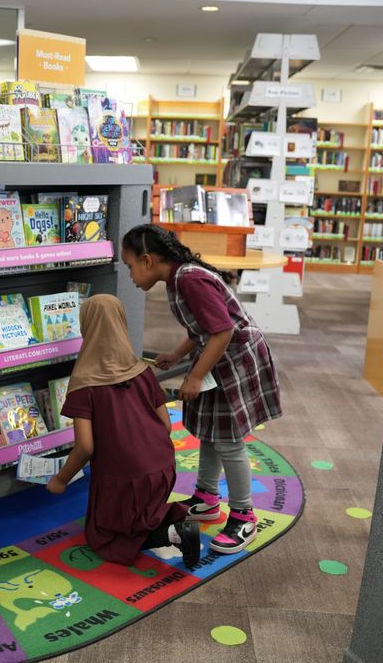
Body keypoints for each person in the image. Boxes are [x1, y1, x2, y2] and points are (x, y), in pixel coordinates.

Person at [120, 224, 282, 555]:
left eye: (130, 265)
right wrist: (176, 355)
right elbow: (202, 327)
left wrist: (194, 377)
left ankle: (243, 516)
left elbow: (221, 331)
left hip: (233, 360)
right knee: (210, 432)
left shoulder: (189, 279)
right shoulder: (176, 279)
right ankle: (207, 498)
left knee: (228, 440)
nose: (131, 275)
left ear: (148, 260)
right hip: (216, 358)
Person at [45, 294, 202, 567]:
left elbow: (85, 447)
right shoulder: (143, 371)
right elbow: (165, 425)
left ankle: (171, 533)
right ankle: (160, 520)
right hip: (163, 468)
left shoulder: (84, 383)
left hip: (123, 480)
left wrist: (61, 479)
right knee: (138, 512)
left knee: (103, 536)